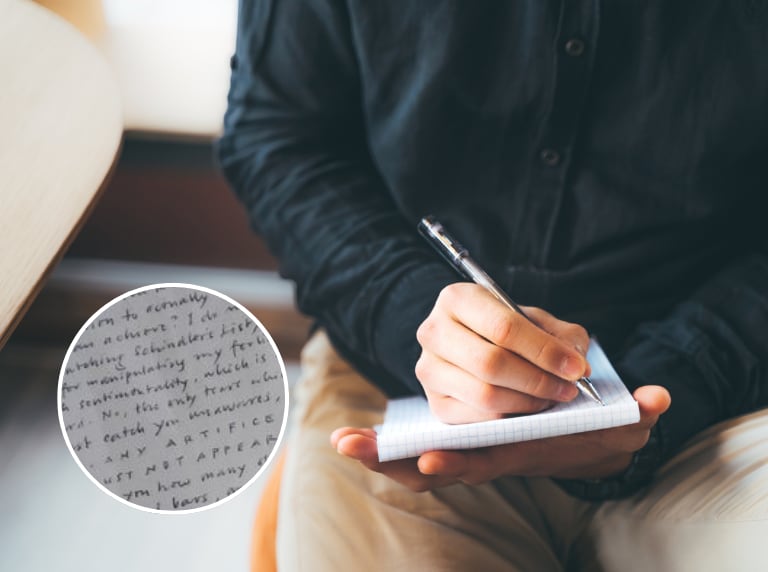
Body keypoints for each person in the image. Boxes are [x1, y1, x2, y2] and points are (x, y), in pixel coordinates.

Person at [218, 2, 768, 570]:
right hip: (402, 386)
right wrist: (416, 313)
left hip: (722, 391)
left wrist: (681, 372)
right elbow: (277, 138)